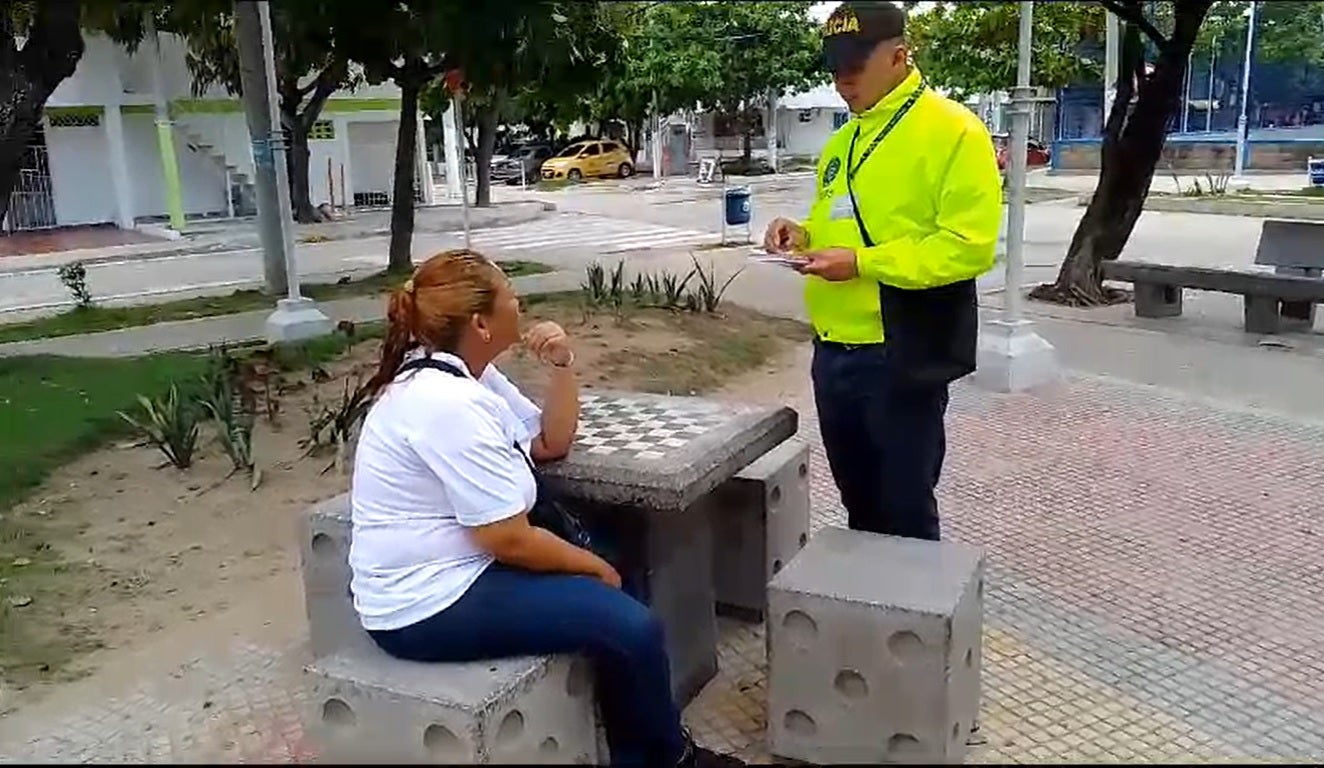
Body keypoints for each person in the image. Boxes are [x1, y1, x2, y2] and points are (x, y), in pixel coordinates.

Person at [347, 249, 743, 768]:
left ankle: (633, 739)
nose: (521, 302)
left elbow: (550, 443)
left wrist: (560, 366)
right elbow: (506, 538)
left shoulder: (470, 376)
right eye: (510, 295)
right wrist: (593, 569)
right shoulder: (443, 404)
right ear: (481, 322)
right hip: (426, 603)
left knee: (622, 558)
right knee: (631, 623)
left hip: (466, 567)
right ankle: (667, 758)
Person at [764, 1, 1002, 542]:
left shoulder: (953, 131)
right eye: (834, 68)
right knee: (858, 506)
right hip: (832, 353)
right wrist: (801, 235)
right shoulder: (841, 143)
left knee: (905, 509)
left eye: (854, 66)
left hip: (898, 352)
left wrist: (863, 264)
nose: (841, 81)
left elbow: (968, 247)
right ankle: (868, 620)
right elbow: (840, 223)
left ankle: (913, 622)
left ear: (899, 56)